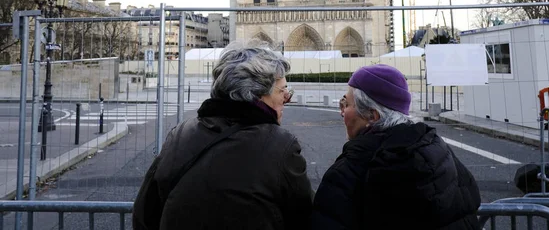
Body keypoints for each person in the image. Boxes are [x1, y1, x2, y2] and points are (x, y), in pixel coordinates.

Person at [133, 43, 313, 230]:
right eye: (282, 90)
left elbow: (145, 215)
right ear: (257, 94)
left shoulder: (180, 134)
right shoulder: (280, 145)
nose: (287, 98)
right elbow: (305, 217)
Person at [312, 64, 481, 230]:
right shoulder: (441, 153)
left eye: (346, 104)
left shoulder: (348, 172)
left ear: (373, 116)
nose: (342, 111)